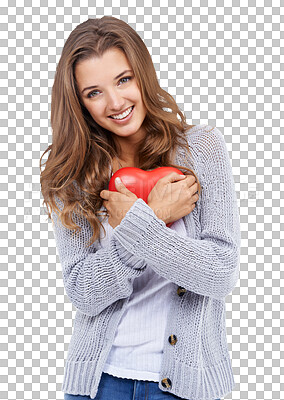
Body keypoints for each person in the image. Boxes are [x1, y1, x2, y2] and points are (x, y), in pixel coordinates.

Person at [40, 16, 241, 400]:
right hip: (99, 385)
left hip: (186, 385)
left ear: (143, 75)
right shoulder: (74, 173)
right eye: (93, 93)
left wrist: (137, 225)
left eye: (124, 79)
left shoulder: (202, 150)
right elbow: (83, 291)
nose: (115, 103)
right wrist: (153, 217)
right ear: (79, 102)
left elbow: (220, 273)